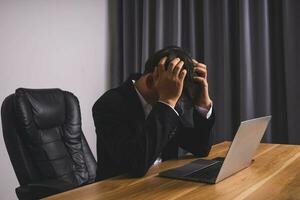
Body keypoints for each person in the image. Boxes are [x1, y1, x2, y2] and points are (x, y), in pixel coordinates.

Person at [92, 46, 215, 180]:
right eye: (177, 98)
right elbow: (135, 165)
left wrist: (203, 104)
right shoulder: (109, 105)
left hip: (160, 184)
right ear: (150, 81)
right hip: (118, 190)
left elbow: (201, 147)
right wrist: (167, 101)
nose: (178, 103)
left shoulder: (170, 102)